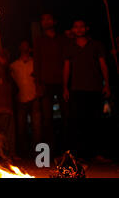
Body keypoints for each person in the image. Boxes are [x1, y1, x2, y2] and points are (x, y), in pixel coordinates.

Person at [63, 19, 111, 161]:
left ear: (86, 28)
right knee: (78, 122)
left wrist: (106, 84)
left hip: (95, 88)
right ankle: (80, 155)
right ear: (73, 30)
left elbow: (103, 65)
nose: (79, 29)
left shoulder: (96, 45)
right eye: (76, 27)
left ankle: (98, 154)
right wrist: (65, 87)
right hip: (77, 89)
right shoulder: (70, 47)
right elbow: (67, 68)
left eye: (81, 27)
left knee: (96, 121)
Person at [33, 13, 68, 155]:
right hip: (46, 83)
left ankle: (67, 150)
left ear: (54, 21)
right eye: (43, 19)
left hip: (62, 82)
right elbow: (37, 62)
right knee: (47, 119)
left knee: (66, 116)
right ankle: (50, 152)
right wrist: (38, 84)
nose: (46, 21)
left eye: (48, 19)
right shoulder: (39, 41)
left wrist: (67, 84)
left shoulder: (62, 39)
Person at [10, 41, 42, 158]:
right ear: (19, 48)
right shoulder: (13, 66)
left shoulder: (35, 63)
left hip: (34, 97)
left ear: (29, 49)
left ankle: (37, 154)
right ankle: (23, 154)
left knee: (37, 128)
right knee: (21, 128)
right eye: (22, 45)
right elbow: (11, 81)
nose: (24, 47)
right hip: (21, 98)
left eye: (26, 45)